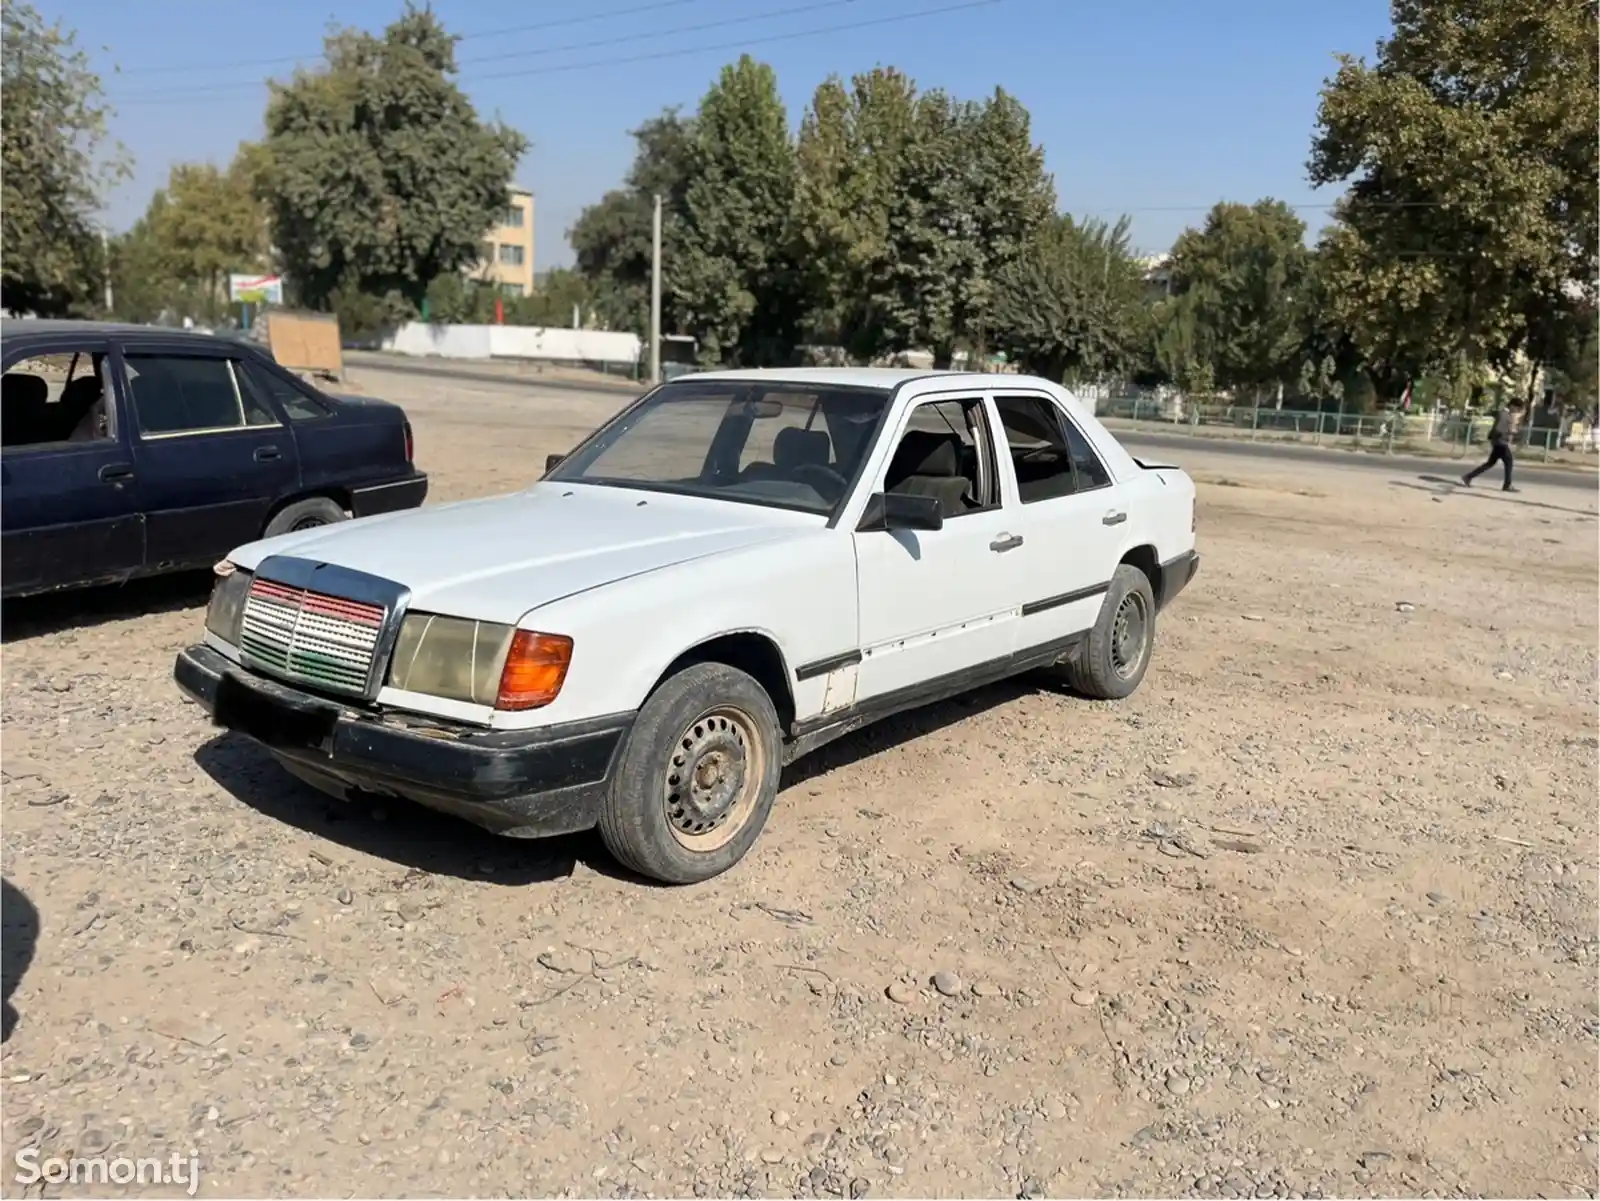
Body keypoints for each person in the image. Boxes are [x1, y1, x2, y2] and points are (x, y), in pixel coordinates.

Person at [1461, 399, 1522, 492]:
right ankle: (1507, 485)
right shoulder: (1504, 414)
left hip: (1498, 442)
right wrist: (1510, 432)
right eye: (1517, 409)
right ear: (1512, 406)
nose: (1516, 411)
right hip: (1501, 442)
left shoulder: (1504, 414)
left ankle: (1468, 477)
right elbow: (1498, 429)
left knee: (1490, 463)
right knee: (1509, 462)